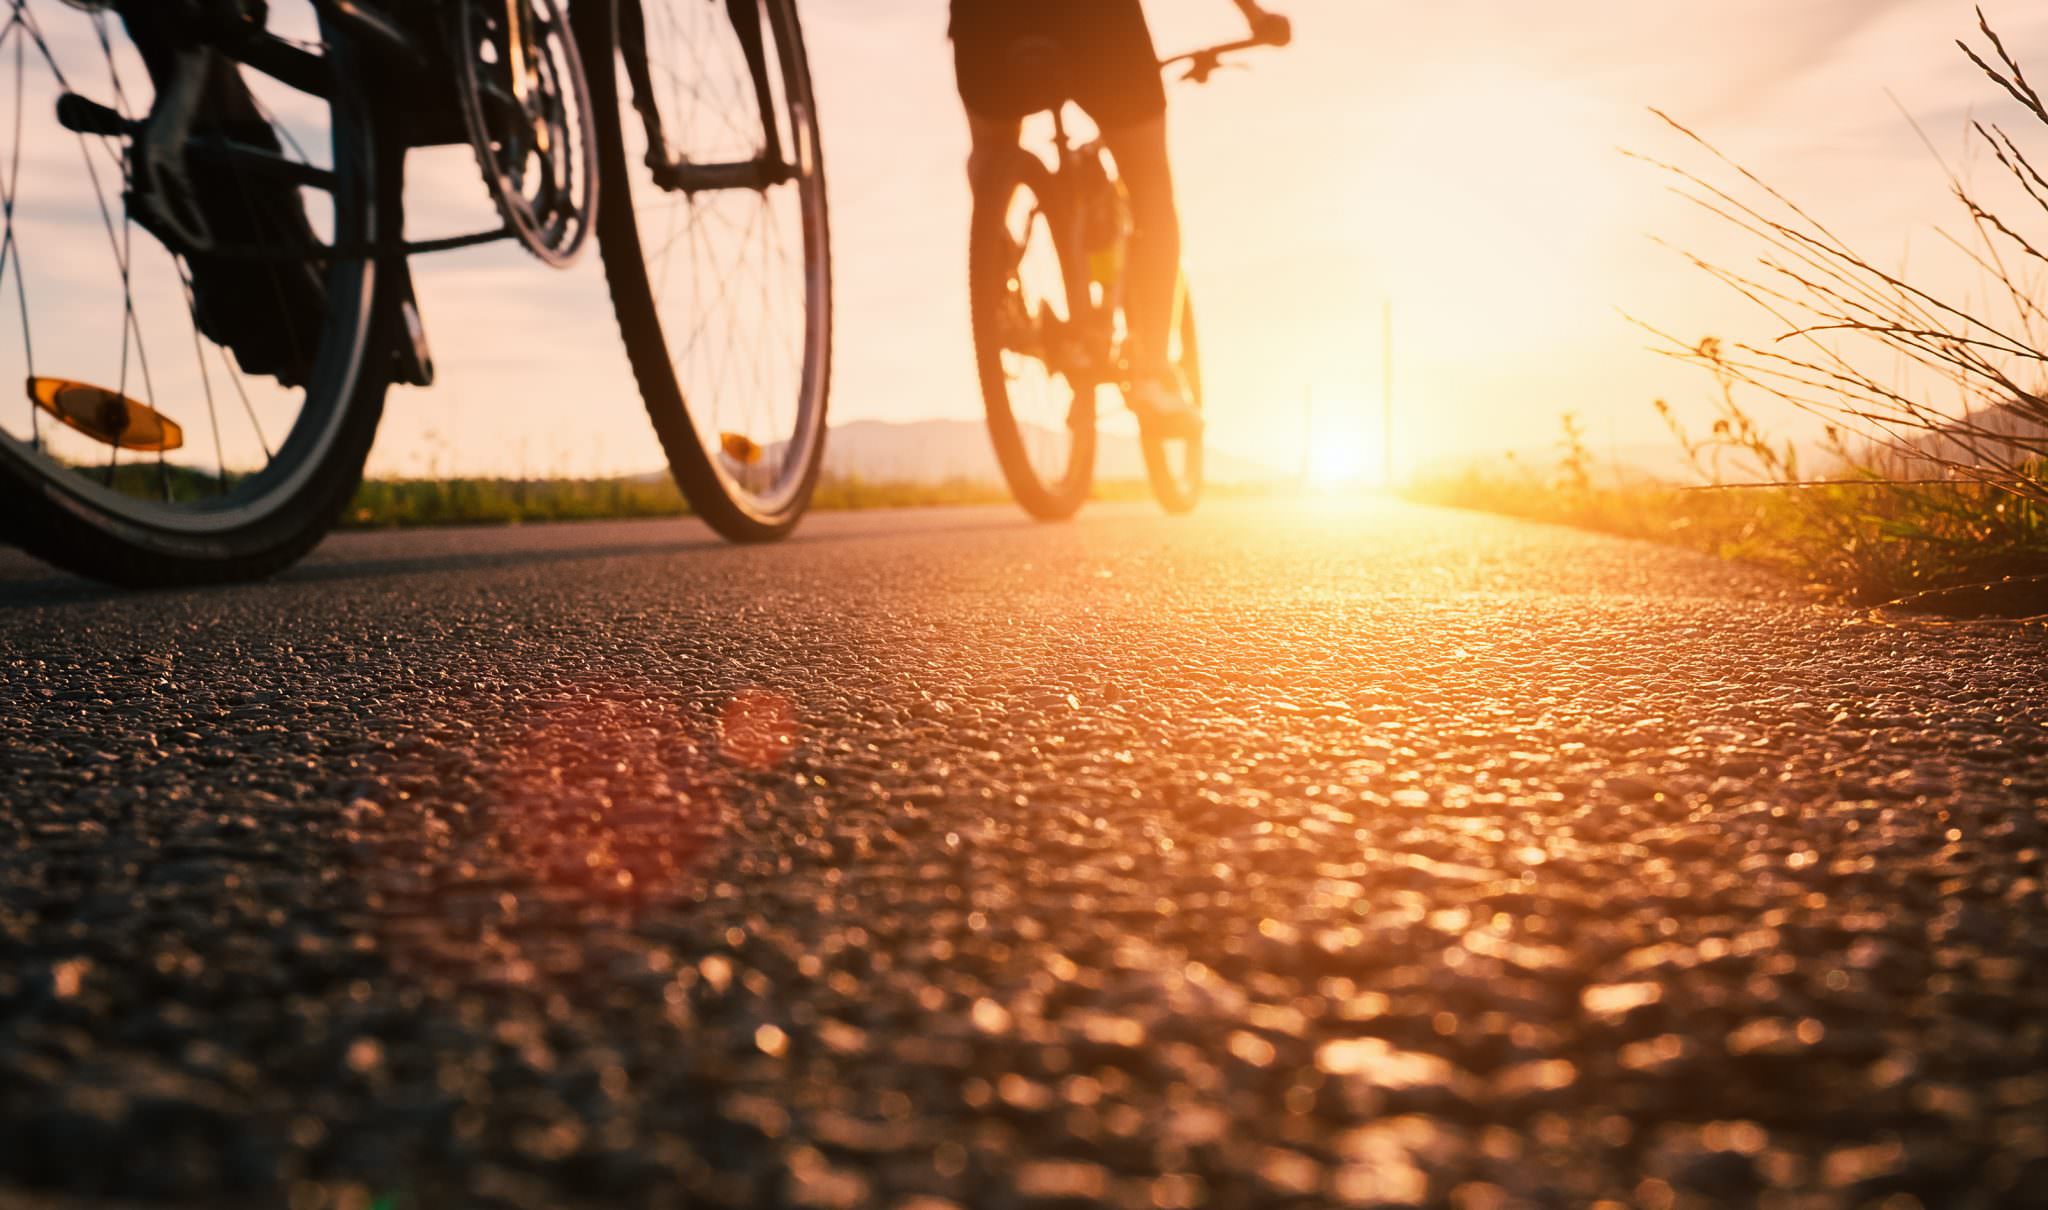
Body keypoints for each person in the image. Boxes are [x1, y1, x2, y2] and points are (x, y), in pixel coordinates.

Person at [950, 0, 1290, 437]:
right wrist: (1254, 16)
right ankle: (1151, 372)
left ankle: (997, 283)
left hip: (987, 20)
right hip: (1095, 20)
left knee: (991, 151)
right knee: (1149, 182)